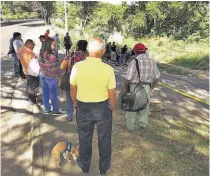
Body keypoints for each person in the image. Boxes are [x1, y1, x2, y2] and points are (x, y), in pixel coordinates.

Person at [70, 38, 116, 176]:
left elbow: (73, 89)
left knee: (84, 139)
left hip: (83, 107)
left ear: (89, 50)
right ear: (103, 51)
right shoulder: (108, 69)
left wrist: (75, 104)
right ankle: (103, 169)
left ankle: (84, 166)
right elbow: (112, 94)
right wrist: (113, 109)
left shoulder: (77, 67)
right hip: (102, 109)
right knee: (105, 139)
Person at [123, 43, 160, 131]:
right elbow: (157, 77)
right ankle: (143, 125)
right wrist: (152, 87)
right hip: (147, 86)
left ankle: (130, 127)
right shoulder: (152, 62)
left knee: (131, 107)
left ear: (135, 51)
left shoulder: (133, 62)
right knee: (144, 106)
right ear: (145, 51)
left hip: (134, 86)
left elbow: (128, 78)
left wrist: (126, 88)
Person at [61, 40, 88, 121]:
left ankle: (69, 116)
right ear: (86, 47)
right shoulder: (87, 57)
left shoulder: (71, 54)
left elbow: (63, 65)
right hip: (82, 80)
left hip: (70, 78)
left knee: (69, 99)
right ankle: (80, 116)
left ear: (77, 45)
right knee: (81, 99)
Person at [39, 37, 61, 114]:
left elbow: (40, 64)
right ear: (48, 45)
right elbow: (55, 70)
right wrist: (59, 77)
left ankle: (47, 109)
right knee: (53, 95)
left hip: (42, 74)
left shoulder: (41, 52)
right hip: (51, 77)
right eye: (53, 45)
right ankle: (55, 110)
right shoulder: (52, 56)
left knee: (45, 93)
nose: (54, 46)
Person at [18, 39, 40, 108]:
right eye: (32, 45)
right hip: (31, 72)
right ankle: (32, 101)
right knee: (33, 87)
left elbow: (19, 59)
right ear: (28, 44)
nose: (33, 47)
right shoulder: (30, 53)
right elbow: (35, 65)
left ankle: (29, 98)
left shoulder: (20, 49)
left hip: (25, 70)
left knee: (29, 85)